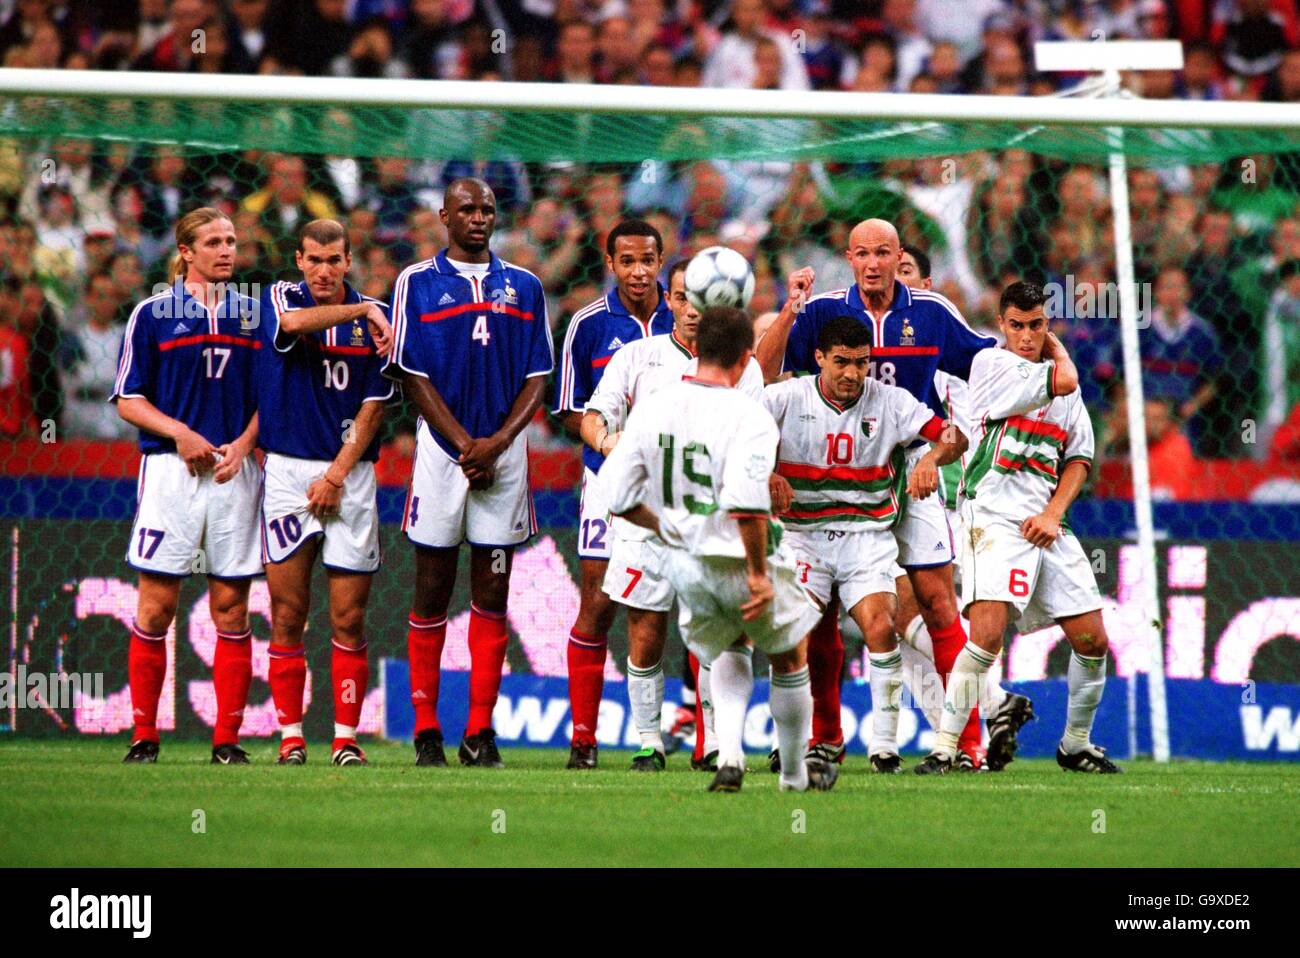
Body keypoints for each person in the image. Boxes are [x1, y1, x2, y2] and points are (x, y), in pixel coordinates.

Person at [756, 218, 996, 769]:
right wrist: (791, 309)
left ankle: (967, 743)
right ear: (848, 256)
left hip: (913, 464)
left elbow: (983, 368)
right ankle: (827, 737)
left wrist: (1031, 371)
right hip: (840, 479)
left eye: (883, 253)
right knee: (818, 617)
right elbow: (760, 375)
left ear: (898, 257)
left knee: (939, 604)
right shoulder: (822, 313)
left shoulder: (932, 314)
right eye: (862, 253)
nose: (872, 264)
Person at [596, 306, 830, 793]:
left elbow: (616, 496)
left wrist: (670, 530)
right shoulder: (749, 414)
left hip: (687, 565)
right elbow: (747, 504)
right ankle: (792, 776)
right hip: (737, 556)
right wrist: (760, 573)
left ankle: (730, 755)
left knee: (728, 645)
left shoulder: (655, 407)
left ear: (696, 350)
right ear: (747, 359)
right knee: (789, 656)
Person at [916, 282, 1120, 775]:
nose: (1026, 336)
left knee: (1093, 640)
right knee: (985, 635)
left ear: (1045, 323)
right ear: (1002, 327)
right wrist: (1057, 348)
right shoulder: (991, 367)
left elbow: (1078, 458)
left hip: (1046, 521)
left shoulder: (1060, 384)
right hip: (993, 516)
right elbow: (1066, 381)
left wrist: (1053, 514)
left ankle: (1075, 744)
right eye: (1017, 326)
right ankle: (946, 749)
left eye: (1036, 325)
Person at [387, 177, 553, 768]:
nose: (478, 218)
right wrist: (464, 445)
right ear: (443, 217)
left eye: (486, 209)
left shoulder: (526, 286)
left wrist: (499, 444)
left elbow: (538, 374)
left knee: (493, 590)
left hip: (504, 457)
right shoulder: (416, 282)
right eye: (467, 209)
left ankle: (480, 731)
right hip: (440, 453)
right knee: (431, 586)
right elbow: (411, 373)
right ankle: (427, 727)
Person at [582, 258, 765, 772]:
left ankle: (713, 744)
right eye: (682, 297)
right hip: (648, 522)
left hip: (709, 520)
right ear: (671, 301)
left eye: (700, 300)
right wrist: (609, 439)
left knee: (716, 636)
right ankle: (649, 741)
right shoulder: (637, 357)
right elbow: (593, 417)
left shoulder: (743, 368)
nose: (690, 309)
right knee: (646, 631)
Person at [763, 316, 966, 772]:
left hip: (865, 536)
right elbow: (733, 431)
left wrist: (932, 457)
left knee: (879, 625)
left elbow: (955, 436)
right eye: (841, 363)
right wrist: (766, 471)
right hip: (802, 536)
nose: (852, 374)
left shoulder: (890, 402)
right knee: (791, 637)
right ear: (819, 359)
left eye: (860, 363)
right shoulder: (785, 398)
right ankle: (793, 741)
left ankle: (883, 747)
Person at [112, 207, 261, 765]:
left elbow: (268, 401)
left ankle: (227, 741)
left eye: (232, 241)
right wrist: (181, 435)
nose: (227, 250)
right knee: (156, 607)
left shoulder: (252, 317)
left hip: (234, 471)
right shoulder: (153, 314)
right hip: (172, 473)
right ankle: (144, 736)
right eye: (214, 242)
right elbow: (129, 399)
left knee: (232, 609)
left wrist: (245, 445)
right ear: (186, 251)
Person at [257, 219, 395, 767]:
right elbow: (294, 324)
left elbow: (375, 404)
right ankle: (291, 735)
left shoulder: (377, 326)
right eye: (314, 259)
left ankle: (344, 738)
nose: (323, 269)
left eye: (333, 260)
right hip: (288, 472)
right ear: (298, 259)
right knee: (288, 612)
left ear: (347, 261)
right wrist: (363, 310)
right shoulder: (278, 299)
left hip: (351, 476)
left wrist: (337, 475)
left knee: (348, 617)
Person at [896, 244, 1034, 771]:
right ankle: (960, 739)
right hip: (912, 495)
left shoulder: (951, 359)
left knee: (918, 615)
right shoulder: (887, 355)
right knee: (894, 628)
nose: (895, 282)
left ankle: (987, 712)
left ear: (927, 288)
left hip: (946, 501)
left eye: (906, 273)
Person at [553, 219, 674, 770]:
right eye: (627, 261)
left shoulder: (689, 316)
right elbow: (571, 408)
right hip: (607, 483)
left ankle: (698, 740)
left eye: (647, 259)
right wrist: (609, 438)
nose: (639, 271)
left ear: (662, 260)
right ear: (610, 263)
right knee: (599, 603)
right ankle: (584, 737)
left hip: (676, 487)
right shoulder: (589, 324)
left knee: (692, 605)